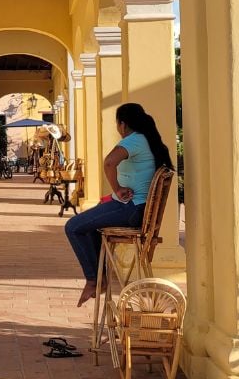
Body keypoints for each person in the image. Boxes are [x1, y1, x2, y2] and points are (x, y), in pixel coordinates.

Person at [65, 103, 174, 307]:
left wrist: (116, 189)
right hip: (137, 208)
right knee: (89, 226)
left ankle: (93, 279)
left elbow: (109, 162)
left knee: (72, 226)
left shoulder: (134, 140)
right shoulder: (148, 139)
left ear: (122, 124)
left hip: (130, 209)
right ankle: (99, 277)